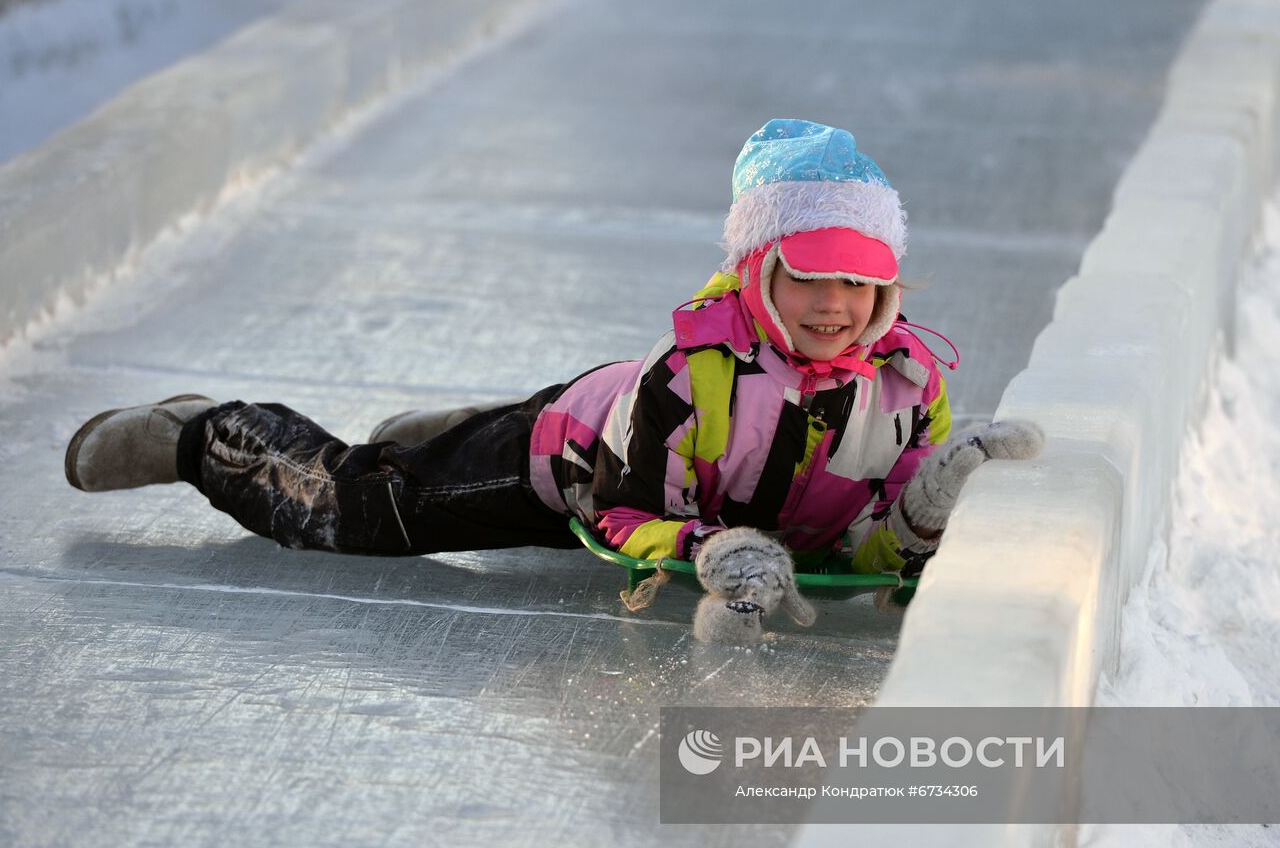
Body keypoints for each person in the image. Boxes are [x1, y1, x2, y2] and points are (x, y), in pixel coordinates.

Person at [65, 119, 1042, 643]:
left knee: (436, 457)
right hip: (576, 461)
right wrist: (712, 550)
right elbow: (619, 513)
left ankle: (447, 430)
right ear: (758, 273)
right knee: (362, 508)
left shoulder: (909, 380)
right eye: (807, 276)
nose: (833, 304)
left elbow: (866, 539)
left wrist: (926, 507)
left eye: (857, 281)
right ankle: (199, 433)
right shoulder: (692, 376)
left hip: (668, 471)